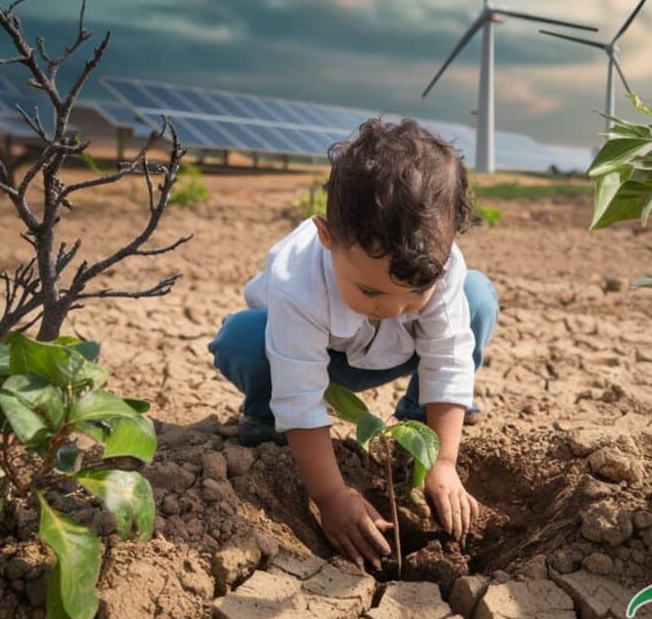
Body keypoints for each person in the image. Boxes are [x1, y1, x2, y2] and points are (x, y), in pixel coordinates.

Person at [208, 117, 499, 570]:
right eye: (370, 292)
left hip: (400, 354)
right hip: (320, 359)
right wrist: (330, 496)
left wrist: (443, 461)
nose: (395, 309)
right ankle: (266, 423)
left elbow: (446, 356)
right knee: (244, 338)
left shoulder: (440, 266)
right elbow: (301, 392)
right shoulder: (296, 280)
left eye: (415, 294)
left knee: (477, 296)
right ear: (327, 237)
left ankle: (417, 422)